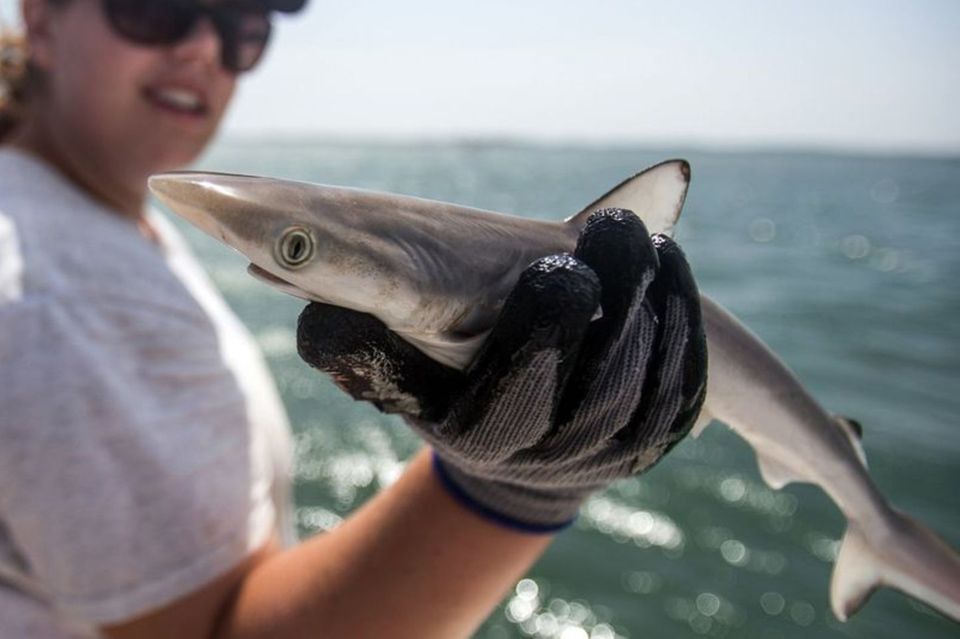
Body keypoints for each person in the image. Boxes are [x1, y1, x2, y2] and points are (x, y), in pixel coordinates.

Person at [0, 0, 708, 637]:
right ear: (40, 18)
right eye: (157, 11)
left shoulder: (74, 214)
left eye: (241, 28)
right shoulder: (61, 299)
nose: (203, 50)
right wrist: (514, 485)